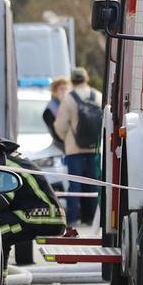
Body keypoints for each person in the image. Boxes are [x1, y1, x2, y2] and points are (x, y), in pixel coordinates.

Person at [0, 126, 65, 261]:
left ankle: (0, 280)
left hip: (45, 215)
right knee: (1, 224)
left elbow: (1, 200)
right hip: (44, 213)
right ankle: (4, 276)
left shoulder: (3, 163)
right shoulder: (6, 156)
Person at [52, 66, 104, 227]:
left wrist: (67, 139)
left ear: (72, 80)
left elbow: (60, 125)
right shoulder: (98, 96)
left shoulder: (69, 98)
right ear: (86, 79)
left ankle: (73, 219)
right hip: (94, 148)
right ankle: (92, 218)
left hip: (74, 149)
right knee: (93, 183)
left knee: (74, 184)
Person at [42, 77, 69, 154]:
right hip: (59, 149)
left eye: (66, 89)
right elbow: (57, 135)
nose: (64, 92)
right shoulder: (50, 110)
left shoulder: (69, 105)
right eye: (61, 89)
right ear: (54, 91)